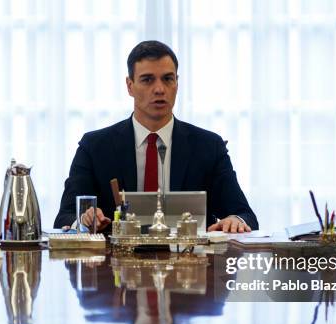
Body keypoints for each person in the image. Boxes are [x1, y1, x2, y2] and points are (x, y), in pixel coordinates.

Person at [54, 40, 258, 233]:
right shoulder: (95, 147)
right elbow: (65, 216)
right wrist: (84, 220)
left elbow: (245, 215)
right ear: (129, 85)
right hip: (115, 266)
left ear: (177, 83)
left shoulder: (208, 146)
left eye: (168, 79)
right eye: (147, 79)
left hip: (190, 264)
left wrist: (235, 221)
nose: (159, 89)